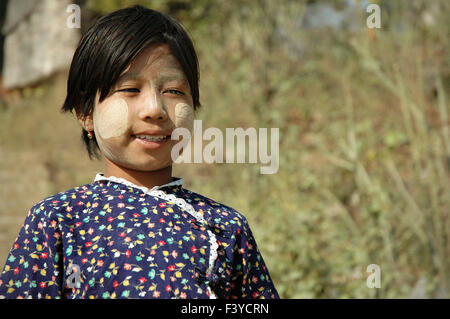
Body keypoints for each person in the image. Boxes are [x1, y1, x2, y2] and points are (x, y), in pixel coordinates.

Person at [0, 5, 279, 299]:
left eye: (173, 91)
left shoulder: (226, 227)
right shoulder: (57, 221)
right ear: (86, 113)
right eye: (130, 89)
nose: (154, 110)